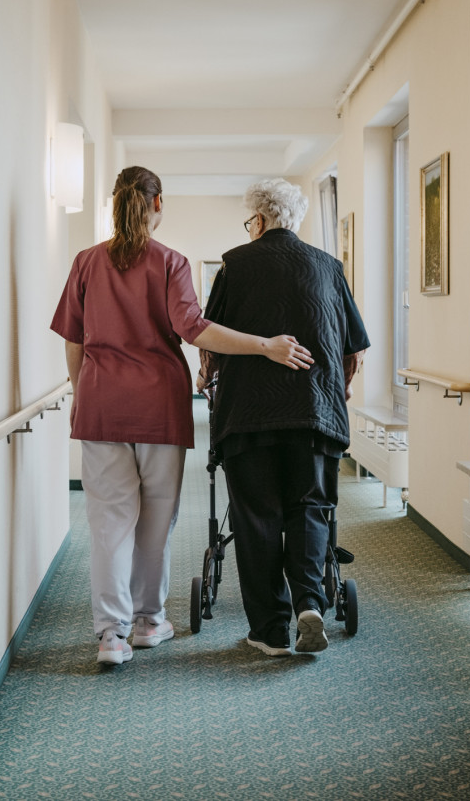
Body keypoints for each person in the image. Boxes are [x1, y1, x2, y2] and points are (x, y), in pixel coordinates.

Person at [51, 166, 314, 666]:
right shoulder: (169, 262)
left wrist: (80, 392)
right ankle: (150, 621)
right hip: (158, 406)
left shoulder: (86, 262)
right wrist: (265, 346)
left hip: (103, 404)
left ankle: (111, 635)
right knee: (156, 520)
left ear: (114, 204)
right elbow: (194, 329)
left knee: (108, 523)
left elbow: (74, 339)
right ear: (157, 205)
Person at [198, 178, 369, 658]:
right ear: (294, 219)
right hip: (313, 413)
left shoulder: (234, 264)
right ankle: (309, 604)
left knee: (257, 517)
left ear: (258, 219)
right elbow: (355, 350)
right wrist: (342, 385)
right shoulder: (329, 267)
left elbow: (208, 337)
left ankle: (270, 631)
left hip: (248, 415)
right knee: (309, 507)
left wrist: (205, 377)